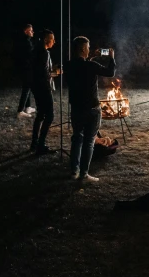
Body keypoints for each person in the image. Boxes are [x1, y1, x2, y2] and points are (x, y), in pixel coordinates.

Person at [65, 37, 116, 182]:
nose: (89, 49)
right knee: (88, 142)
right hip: (92, 108)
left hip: (76, 108)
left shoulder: (68, 65)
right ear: (82, 49)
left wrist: (91, 56)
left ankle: (74, 171)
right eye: (87, 47)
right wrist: (112, 58)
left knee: (76, 139)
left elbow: (81, 65)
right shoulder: (91, 66)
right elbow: (110, 72)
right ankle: (84, 174)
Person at [30, 29, 62, 155]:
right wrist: (56, 73)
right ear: (45, 40)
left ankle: (34, 143)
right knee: (49, 116)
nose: (54, 41)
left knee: (40, 114)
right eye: (52, 39)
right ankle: (40, 145)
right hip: (43, 87)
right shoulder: (44, 52)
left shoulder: (36, 51)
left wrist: (52, 70)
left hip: (36, 86)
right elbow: (44, 74)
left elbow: (40, 69)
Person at [14, 24, 36, 118]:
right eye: (31, 30)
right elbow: (30, 55)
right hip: (26, 68)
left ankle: (27, 107)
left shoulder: (24, 41)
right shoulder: (26, 42)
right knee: (26, 88)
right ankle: (20, 111)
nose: (32, 32)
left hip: (24, 67)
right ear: (26, 31)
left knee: (28, 87)